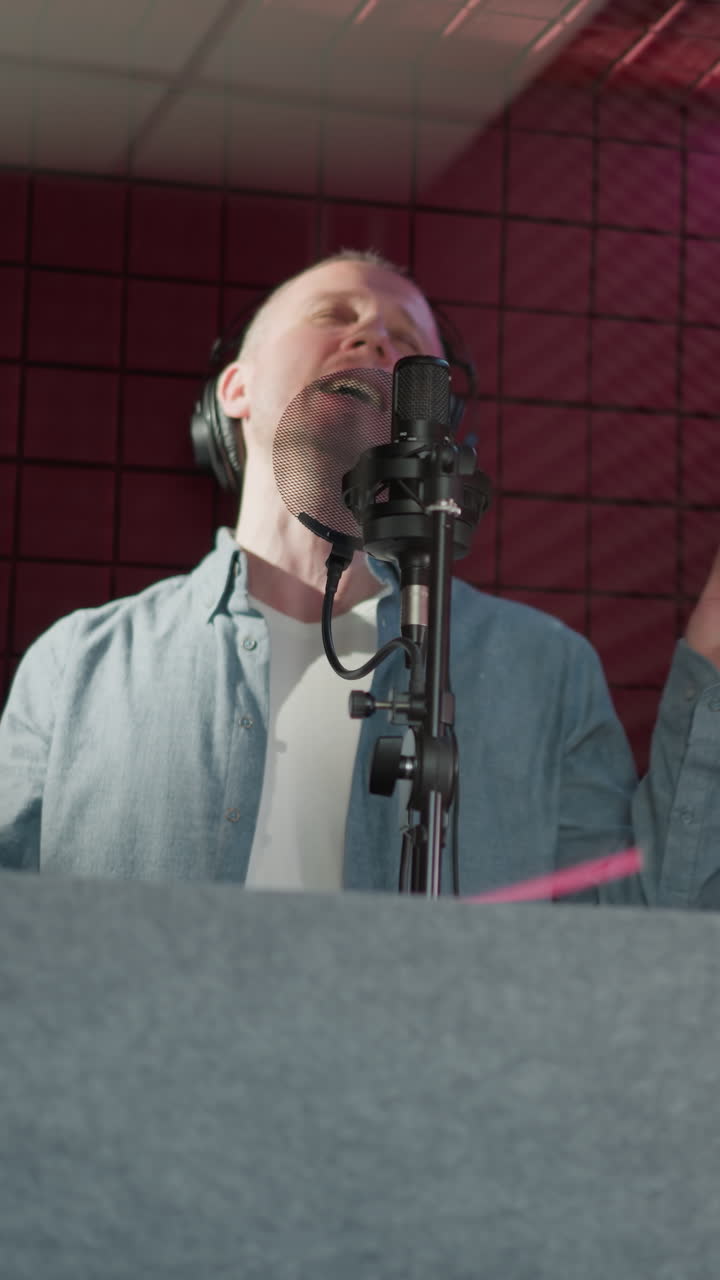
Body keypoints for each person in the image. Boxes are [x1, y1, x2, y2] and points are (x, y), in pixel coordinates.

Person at [1, 249, 719, 903]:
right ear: (235, 389)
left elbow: (634, 932)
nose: (374, 336)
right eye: (333, 316)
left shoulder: (545, 670)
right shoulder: (76, 668)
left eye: (406, 340)